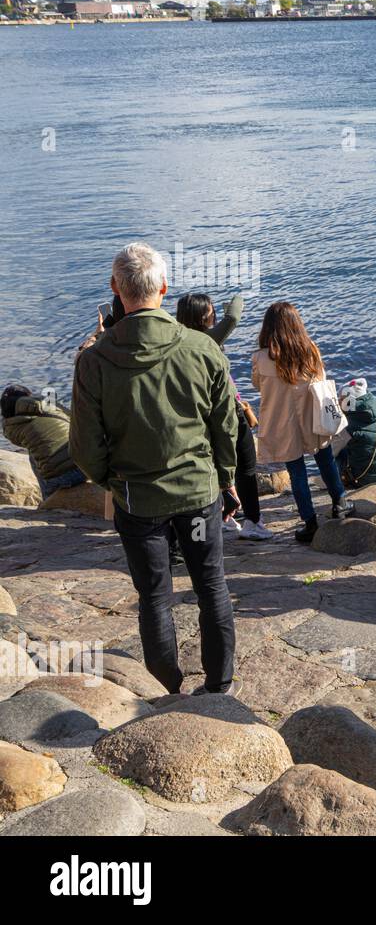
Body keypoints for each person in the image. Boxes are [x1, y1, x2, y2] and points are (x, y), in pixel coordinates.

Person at [69, 242, 238, 696]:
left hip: (137, 501)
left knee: (155, 597)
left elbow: (84, 446)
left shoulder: (94, 360)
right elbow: (227, 428)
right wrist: (226, 480)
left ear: (115, 290)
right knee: (211, 586)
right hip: (199, 495)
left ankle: (169, 686)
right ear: (163, 288)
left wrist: (111, 480)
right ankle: (220, 686)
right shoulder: (202, 348)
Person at [251, 302, 354, 544]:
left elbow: (258, 386)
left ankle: (309, 523)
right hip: (312, 417)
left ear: (268, 327)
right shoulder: (310, 351)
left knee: (296, 471)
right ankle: (340, 503)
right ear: (296, 325)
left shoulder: (261, 358)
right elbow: (322, 381)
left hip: (282, 422)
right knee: (324, 458)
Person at [174, 292, 272, 541]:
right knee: (247, 467)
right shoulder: (205, 339)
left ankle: (223, 518)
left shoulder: (178, 342)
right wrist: (240, 294)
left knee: (216, 467)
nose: (214, 314)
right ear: (202, 317)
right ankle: (252, 522)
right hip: (228, 414)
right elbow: (233, 317)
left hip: (203, 414)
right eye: (210, 311)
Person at [2, 385, 86, 500]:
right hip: (86, 468)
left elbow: (15, 440)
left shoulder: (11, 425)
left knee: (34, 455)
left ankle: (48, 498)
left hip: (64, 477)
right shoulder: (49, 404)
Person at [334, 378, 376, 489]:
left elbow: (332, 451)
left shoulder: (349, 427)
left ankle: (335, 481)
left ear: (349, 402)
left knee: (337, 452)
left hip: (365, 480)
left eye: (341, 399)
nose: (338, 401)